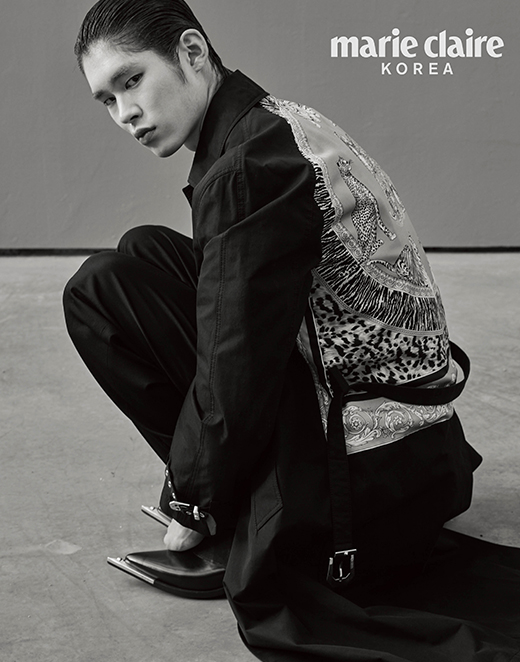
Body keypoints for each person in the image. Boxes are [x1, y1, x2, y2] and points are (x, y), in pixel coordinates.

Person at [64, 2, 520, 661]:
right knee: (136, 259)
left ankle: (230, 510)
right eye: (106, 99)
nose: (124, 113)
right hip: (418, 450)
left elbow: (236, 363)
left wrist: (191, 499)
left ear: (192, 53)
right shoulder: (275, 121)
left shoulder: (249, 165)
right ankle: (229, 491)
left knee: (100, 292)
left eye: (131, 81)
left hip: (367, 476)